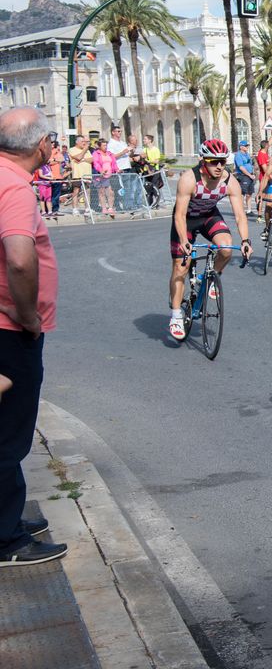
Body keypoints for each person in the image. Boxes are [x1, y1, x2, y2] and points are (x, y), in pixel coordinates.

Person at [0, 107, 68, 566]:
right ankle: (6, 539)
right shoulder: (14, 188)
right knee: (10, 435)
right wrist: (27, 315)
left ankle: (9, 518)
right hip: (11, 331)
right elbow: (21, 259)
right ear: (41, 145)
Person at [167, 140, 253, 340]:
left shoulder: (229, 181)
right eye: (214, 161)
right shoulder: (189, 179)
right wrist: (184, 240)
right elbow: (179, 215)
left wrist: (246, 241)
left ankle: (208, 279)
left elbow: (240, 215)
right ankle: (176, 315)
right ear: (203, 161)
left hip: (208, 216)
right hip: (186, 220)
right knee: (181, 266)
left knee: (226, 248)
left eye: (223, 161)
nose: (219, 166)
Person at [91, 138, 119, 217]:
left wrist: (117, 169)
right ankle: (104, 208)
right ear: (99, 146)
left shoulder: (109, 153)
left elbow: (114, 163)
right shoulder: (96, 153)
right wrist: (100, 170)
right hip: (100, 175)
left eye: (106, 145)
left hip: (109, 175)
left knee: (110, 192)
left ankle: (110, 208)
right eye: (103, 145)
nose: (105, 147)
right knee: (101, 192)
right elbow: (96, 163)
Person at [67, 133, 92, 215]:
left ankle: (87, 208)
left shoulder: (87, 150)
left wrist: (83, 159)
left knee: (87, 191)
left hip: (87, 174)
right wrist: (84, 151)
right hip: (77, 174)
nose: (84, 143)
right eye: (82, 141)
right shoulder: (72, 150)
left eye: (85, 141)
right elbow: (78, 157)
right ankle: (75, 208)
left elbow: (91, 159)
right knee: (76, 191)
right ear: (77, 142)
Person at [233, 140, 256, 221]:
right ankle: (241, 211)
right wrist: (249, 175)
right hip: (243, 176)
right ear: (241, 147)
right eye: (246, 146)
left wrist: (252, 173)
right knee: (242, 194)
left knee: (249, 193)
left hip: (250, 175)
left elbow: (250, 164)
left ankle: (249, 210)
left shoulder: (247, 154)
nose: (247, 147)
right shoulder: (238, 155)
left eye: (247, 146)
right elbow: (241, 167)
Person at [255, 139, 270, 218]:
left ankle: (266, 214)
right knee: (262, 196)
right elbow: (265, 170)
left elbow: (269, 142)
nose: (269, 145)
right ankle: (259, 216)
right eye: (268, 145)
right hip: (264, 178)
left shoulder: (265, 152)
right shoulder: (261, 155)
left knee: (267, 196)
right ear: (266, 146)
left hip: (268, 177)